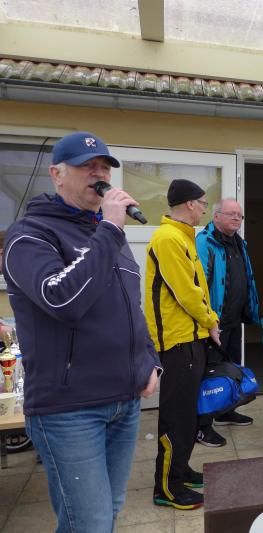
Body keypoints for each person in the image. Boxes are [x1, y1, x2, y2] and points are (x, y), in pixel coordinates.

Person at [2, 131, 160, 531]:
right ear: (57, 175)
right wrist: (110, 230)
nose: (99, 174)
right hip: (70, 410)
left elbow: (129, 308)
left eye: (104, 167)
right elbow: (62, 300)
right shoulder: (29, 235)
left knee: (107, 514)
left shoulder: (107, 234)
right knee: (87, 523)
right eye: (87, 166)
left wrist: (149, 360)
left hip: (125, 402)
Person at [145, 178, 220, 510]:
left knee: (188, 414)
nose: (204, 209)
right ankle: (167, 487)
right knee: (176, 416)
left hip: (192, 339)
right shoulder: (168, 238)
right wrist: (211, 320)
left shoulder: (184, 238)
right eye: (203, 203)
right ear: (190, 203)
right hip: (177, 342)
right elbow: (186, 293)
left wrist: (207, 323)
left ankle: (181, 469)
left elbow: (197, 289)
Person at [195, 198, 259, 447]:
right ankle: (201, 426)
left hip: (234, 322)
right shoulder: (205, 242)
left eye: (239, 215)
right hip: (213, 324)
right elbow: (198, 285)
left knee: (230, 370)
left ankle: (225, 411)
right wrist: (209, 321)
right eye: (231, 213)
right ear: (216, 216)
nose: (236, 218)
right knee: (209, 375)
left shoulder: (239, 243)